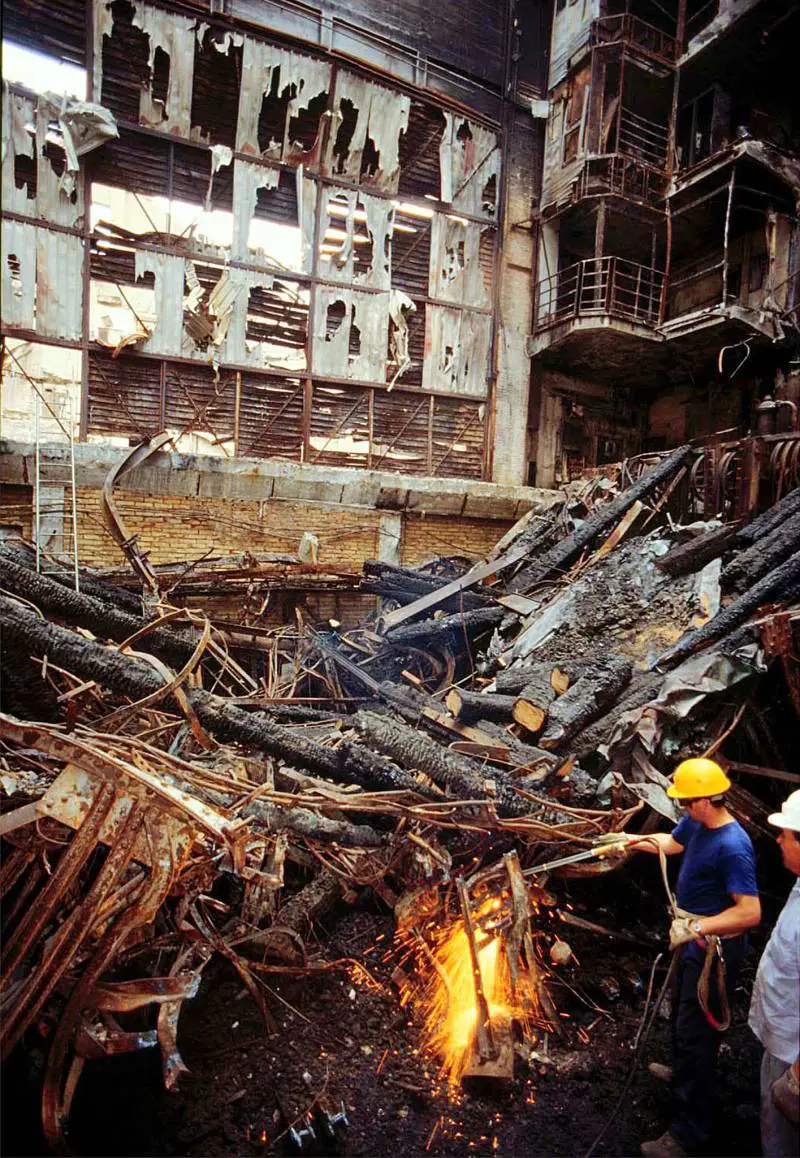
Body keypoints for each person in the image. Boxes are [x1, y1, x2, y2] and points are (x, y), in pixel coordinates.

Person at [627, 757, 761, 1158]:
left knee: (698, 1033)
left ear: (708, 799)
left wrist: (699, 928)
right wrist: (628, 840)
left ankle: (690, 1132)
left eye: (688, 802)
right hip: (691, 941)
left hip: (713, 952)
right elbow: (672, 844)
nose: (683, 809)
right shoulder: (696, 823)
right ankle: (682, 1071)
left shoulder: (734, 847)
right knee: (683, 1015)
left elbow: (750, 912)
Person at [748, 789, 800, 1157]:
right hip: (783, 1033)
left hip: (793, 1053)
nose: (778, 839)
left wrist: (798, 1077)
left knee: (783, 1132)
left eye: (785, 834)